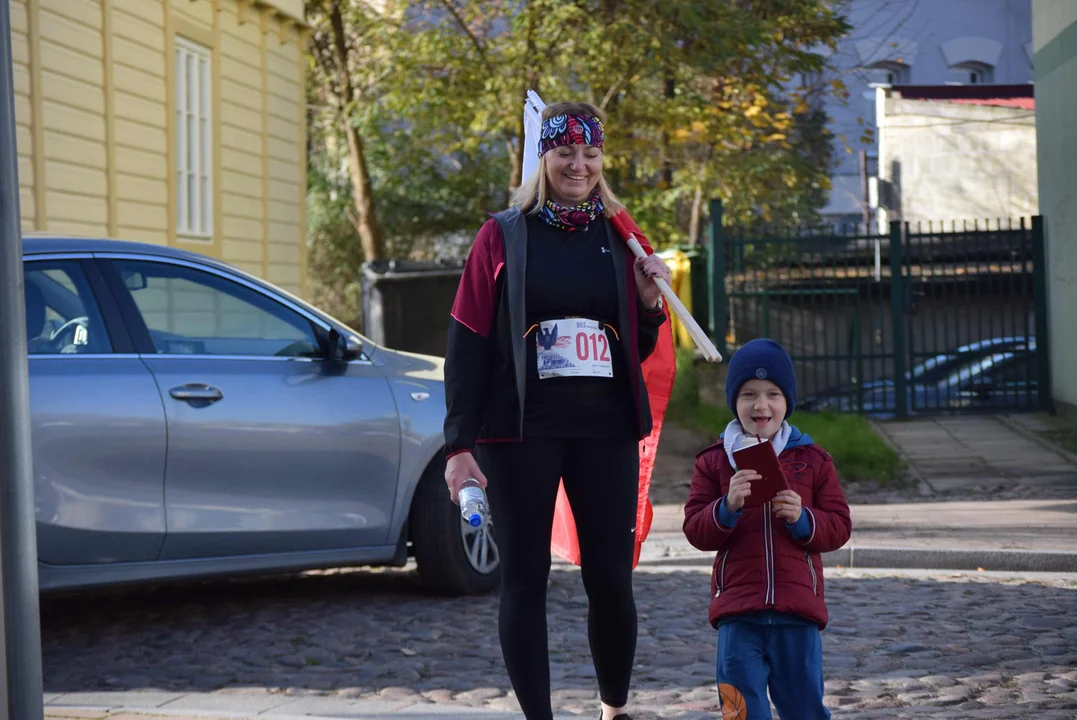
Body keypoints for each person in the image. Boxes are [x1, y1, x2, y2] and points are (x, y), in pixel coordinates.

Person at [442, 101, 672, 720]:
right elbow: (465, 343)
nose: (578, 165)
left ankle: (613, 708)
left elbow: (637, 347)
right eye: (565, 152)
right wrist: (458, 444)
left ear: (602, 160)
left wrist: (650, 305)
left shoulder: (620, 235)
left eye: (590, 154)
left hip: (604, 429)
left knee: (611, 580)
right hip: (520, 430)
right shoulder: (503, 234)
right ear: (542, 157)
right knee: (524, 578)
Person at [682, 338, 852, 720]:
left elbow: (839, 526)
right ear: (733, 401)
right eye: (748, 394)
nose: (761, 405)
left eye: (773, 393)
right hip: (738, 614)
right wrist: (726, 507)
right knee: (740, 710)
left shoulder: (812, 460)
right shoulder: (713, 462)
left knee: (804, 707)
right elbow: (695, 528)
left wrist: (803, 518)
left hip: (798, 612)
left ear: (787, 401)